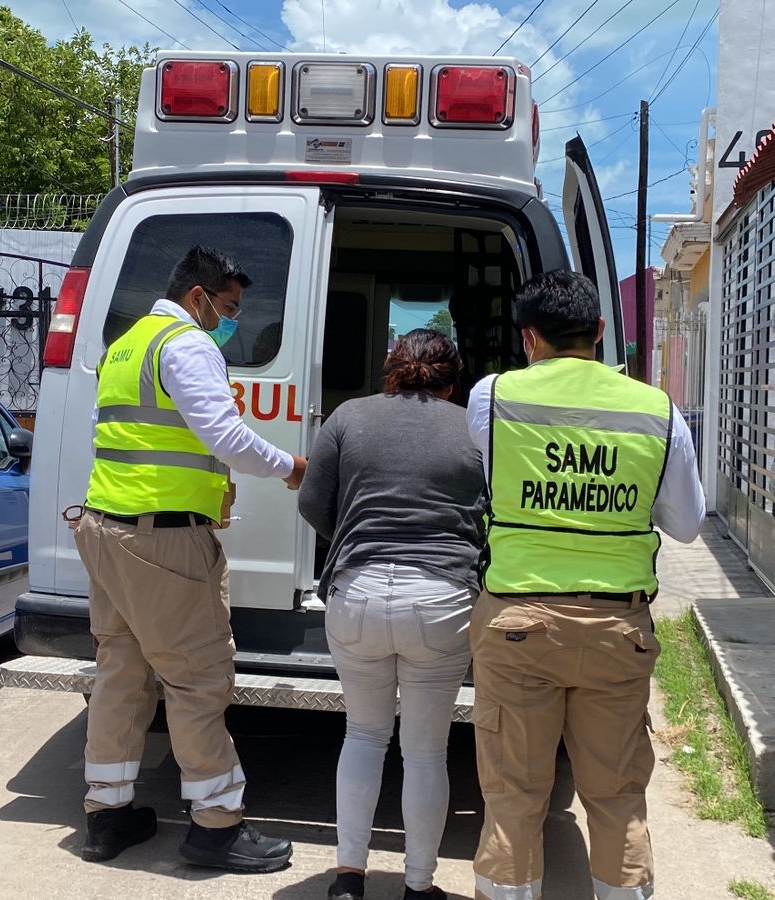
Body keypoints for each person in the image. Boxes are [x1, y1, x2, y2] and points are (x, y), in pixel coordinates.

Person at [465, 270, 705, 900]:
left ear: (528, 339)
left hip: (517, 624)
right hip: (615, 631)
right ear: (600, 332)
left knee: (513, 795)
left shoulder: (492, 398)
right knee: (618, 795)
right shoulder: (657, 409)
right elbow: (686, 524)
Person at [73, 244, 308, 872]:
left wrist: (208, 486)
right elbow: (223, 434)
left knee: (121, 672)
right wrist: (292, 468)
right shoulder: (186, 342)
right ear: (197, 296)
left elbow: (154, 439)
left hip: (104, 528)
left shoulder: (127, 343)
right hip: (162, 542)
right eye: (227, 308)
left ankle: (107, 817)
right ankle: (215, 827)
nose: (229, 323)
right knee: (197, 677)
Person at [298, 329, 485, 900]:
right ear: (453, 378)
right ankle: (418, 886)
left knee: (363, 733)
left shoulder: (349, 416)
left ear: (390, 369)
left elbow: (311, 500)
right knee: (426, 750)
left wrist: (353, 542)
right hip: (441, 598)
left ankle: (348, 878)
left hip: (355, 595)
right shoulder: (475, 428)